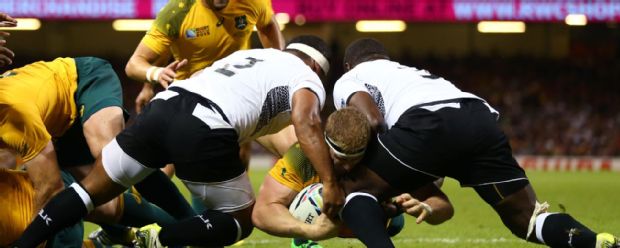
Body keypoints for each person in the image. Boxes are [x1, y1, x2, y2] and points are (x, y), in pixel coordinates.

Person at [13, 35, 344, 248]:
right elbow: (307, 121)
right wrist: (330, 181)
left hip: (165, 107)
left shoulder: (255, 57)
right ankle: (155, 238)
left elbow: (205, 83)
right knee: (240, 221)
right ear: (316, 66)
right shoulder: (307, 78)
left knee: (87, 192)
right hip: (206, 124)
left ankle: (24, 245)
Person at [330, 38, 620, 248]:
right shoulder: (410, 73)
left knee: (354, 189)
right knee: (528, 220)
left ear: (347, 64)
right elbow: (433, 160)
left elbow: (373, 121)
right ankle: (597, 243)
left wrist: (360, 173)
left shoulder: (349, 78)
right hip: (479, 120)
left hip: (428, 123)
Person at [0, 57, 192, 246]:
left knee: (117, 161)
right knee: (103, 204)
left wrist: (30, 241)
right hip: (57, 124)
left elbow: (51, 187)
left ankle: (195, 223)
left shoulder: (12, 115)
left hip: (84, 80)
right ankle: (120, 234)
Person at [252, 108, 454, 248]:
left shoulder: (382, 159)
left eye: (355, 159)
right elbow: (262, 212)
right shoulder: (303, 156)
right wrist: (309, 231)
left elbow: (444, 206)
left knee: (394, 223)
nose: (348, 166)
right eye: (341, 159)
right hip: (256, 123)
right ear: (326, 146)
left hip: (355, 210)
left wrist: (427, 208)